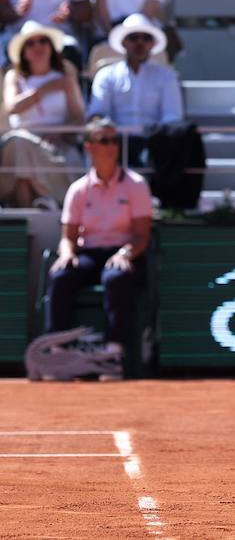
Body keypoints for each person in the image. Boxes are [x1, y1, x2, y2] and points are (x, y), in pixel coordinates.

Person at [46, 117, 153, 365]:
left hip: (124, 253)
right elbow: (68, 237)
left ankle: (113, 351)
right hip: (89, 254)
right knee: (61, 276)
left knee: (116, 277)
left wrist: (125, 253)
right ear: (89, 147)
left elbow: (142, 235)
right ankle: (57, 350)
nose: (111, 146)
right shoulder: (78, 189)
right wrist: (66, 254)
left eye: (114, 140)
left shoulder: (136, 185)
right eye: (104, 140)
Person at [0, 22, 82, 210]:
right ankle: (28, 212)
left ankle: (40, 206)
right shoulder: (14, 77)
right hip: (20, 141)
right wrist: (45, 90)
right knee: (20, 144)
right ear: (23, 51)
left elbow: (78, 118)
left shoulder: (65, 77)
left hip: (57, 146)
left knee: (21, 150)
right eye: (31, 43)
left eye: (43, 41)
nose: (38, 47)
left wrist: (59, 134)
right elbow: (12, 107)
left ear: (51, 48)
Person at [86, 14, 184, 168]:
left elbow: (172, 116)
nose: (140, 43)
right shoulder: (106, 75)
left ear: (152, 44)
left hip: (154, 145)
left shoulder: (167, 76)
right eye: (133, 38)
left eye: (146, 38)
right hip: (115, 144)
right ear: (123, 42)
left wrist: (154, 138)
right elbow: (98, 112)